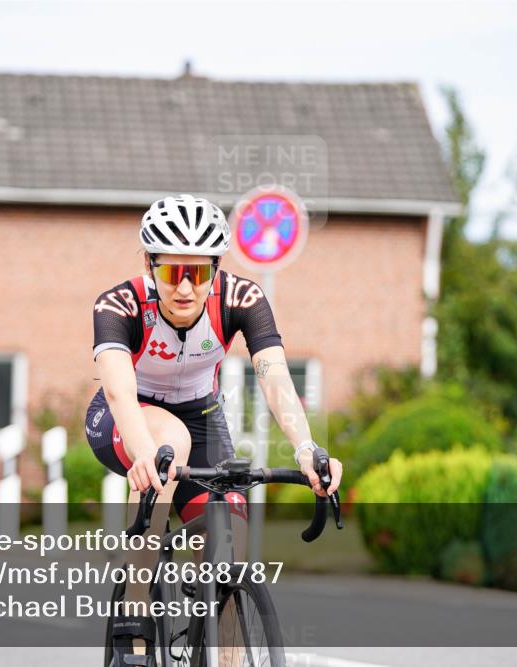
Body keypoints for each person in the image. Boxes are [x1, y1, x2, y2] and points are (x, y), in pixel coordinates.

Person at [87, 194, 342, 665]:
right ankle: (134, 619)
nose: (185, 287)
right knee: (168, 445)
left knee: (230, 546)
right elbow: (120, 392)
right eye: (171, 272)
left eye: (199, 272)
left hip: (202, 417)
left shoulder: (241, 299)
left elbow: (274, 376)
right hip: (125, 418)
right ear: (150, 263)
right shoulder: (119, 304)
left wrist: (306, 447)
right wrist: (146, 454)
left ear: (216, 268)